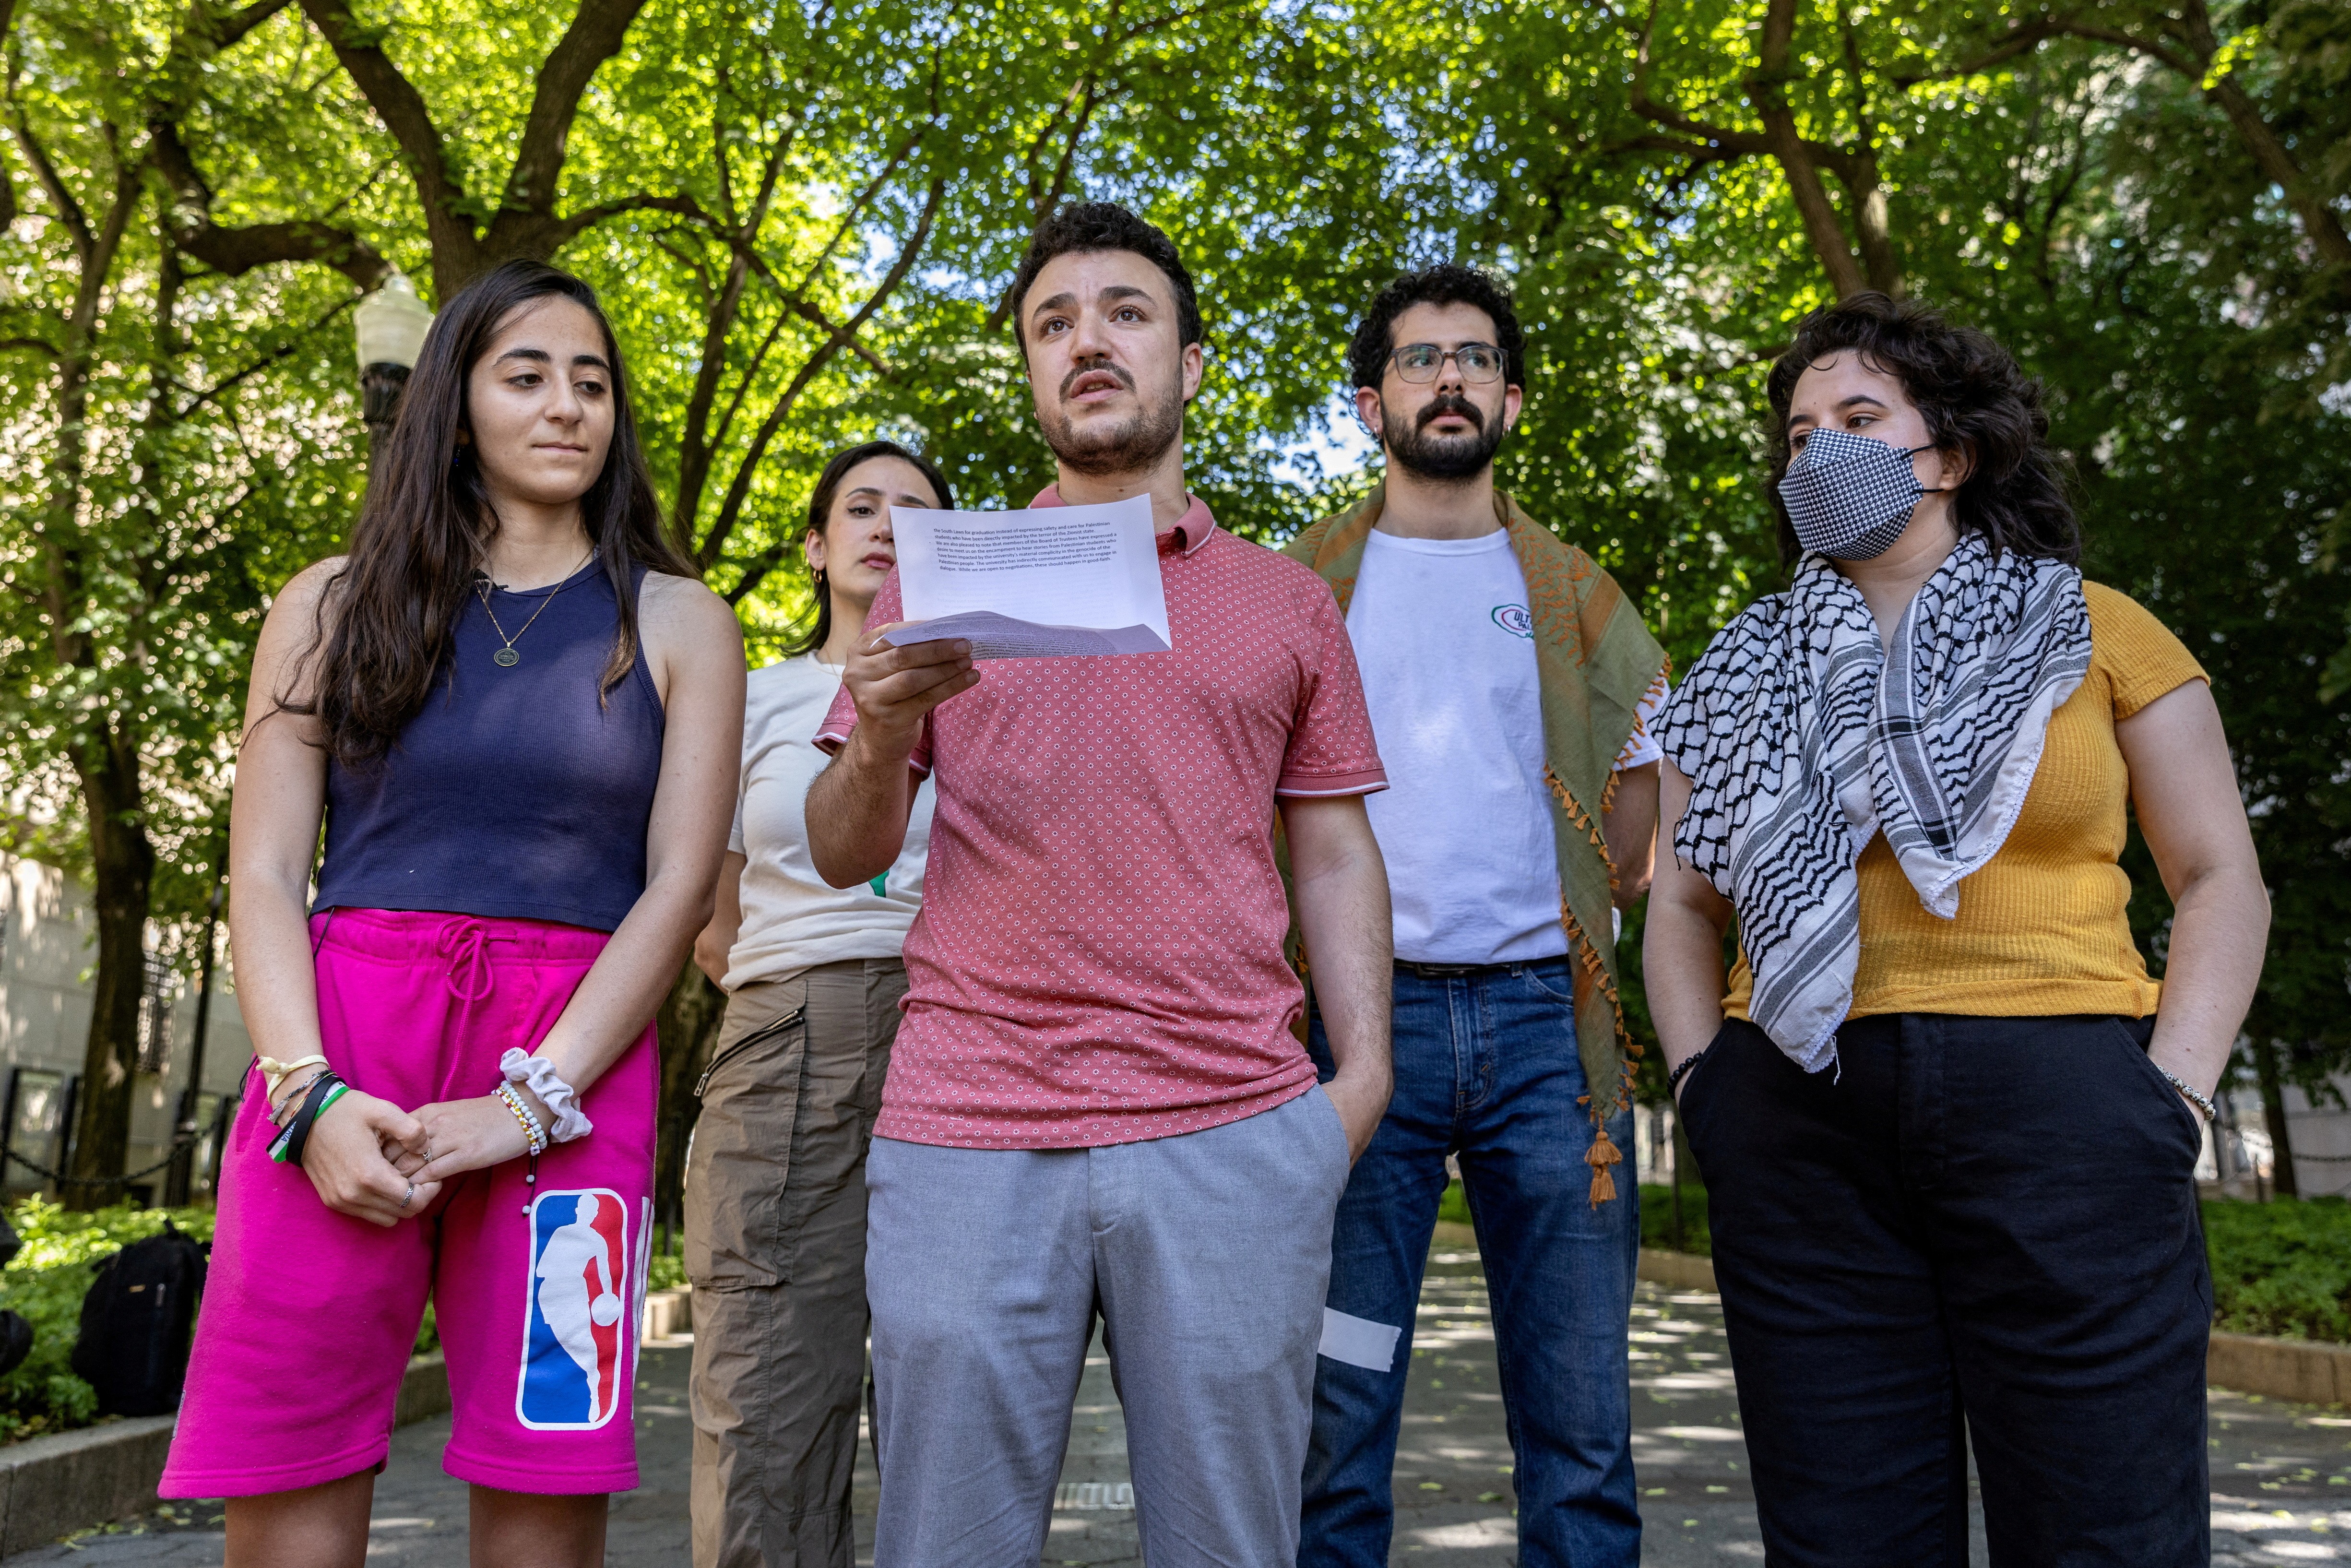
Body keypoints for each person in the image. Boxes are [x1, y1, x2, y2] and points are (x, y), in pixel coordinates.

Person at [805, 201, 1395, 1568]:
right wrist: (884, 722)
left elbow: (1332, 845)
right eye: (1052, 322)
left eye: (1126, 312)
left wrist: (1354, 1083)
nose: (1088, 340)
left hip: (1231, 1128)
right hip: (967, 1128)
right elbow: (843, 849)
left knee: (1232, 1547)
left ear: (1190, 365)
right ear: (1028, 371)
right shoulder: (935, 583)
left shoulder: (1284, 601)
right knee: (941, 1546)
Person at [1644, 292, 2268, 1564]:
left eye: (1858, 416)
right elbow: (1679, 905)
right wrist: (1705, 1084)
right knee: (1841, 1539)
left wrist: (2177, 1101)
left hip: (2065, 1115)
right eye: (1800, 430)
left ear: (1954, 451)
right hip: (1799, 1124)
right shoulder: (1736, 668)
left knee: (2109, 1534)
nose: (1819, 448)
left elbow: (2218, 878)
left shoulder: (2098, 630)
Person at [161, 260, 745, 1568]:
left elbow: (676, 886)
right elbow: (263, 875)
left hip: (573, 1082)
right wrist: (304, 1096)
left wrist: (528, 1102)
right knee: (289, 1510)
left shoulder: (681, 622)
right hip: (338, 1055)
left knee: (544, 1522)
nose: (567, 406)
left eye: (592, 382)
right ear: (454, 401)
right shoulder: (326, 603)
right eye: (526, 375)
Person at [1284, 264, 1668, 1567]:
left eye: (1473, 358)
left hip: (1547, 1043)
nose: (1448, 378)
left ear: (1510, 396)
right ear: (1367, 399)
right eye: (1417, 358)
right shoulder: (1298, 589)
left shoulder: (1577, 595)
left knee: (1578, 1426)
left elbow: (1635, 839)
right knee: (1335, 1405)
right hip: (1351, 1037)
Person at [685, 440, 952, 1568]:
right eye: (860, 505)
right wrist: (807, 1006)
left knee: (960, 1401)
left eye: (916, 511)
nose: (886, 524)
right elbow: (705, 912)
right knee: (770, 1395)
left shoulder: (991, 695)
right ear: (814, 542)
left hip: (966, 1035)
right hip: (795, 1028)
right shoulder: (753, 699)